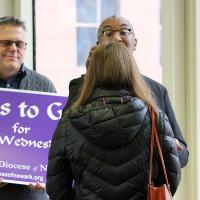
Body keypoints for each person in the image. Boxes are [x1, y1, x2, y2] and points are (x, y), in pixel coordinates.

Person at [46, 42, 181, 200]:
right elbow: (171, 176)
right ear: (131, 71)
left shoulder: (69, 122)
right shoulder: (154, 118)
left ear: (92, 73)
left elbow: (56, 186)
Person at [65, 15, 189, 168]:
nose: (117, 38)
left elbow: (183, 153)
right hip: (95, 188)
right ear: (98, 45)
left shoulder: (156, 91)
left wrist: (165, 148)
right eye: (108, 33)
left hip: (144, 188)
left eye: (124, 32)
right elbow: (64, 144)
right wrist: (90, 77)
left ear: (135, 43)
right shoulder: (80, 87)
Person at [0, 16, 56, 200]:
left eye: (19, 43)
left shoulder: (44, 86)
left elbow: (58, 144)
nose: (13, 49)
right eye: (6, 42)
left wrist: (47, 174)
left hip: (31, 196)